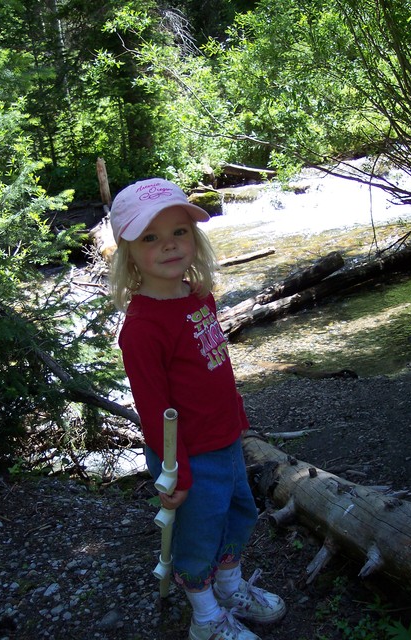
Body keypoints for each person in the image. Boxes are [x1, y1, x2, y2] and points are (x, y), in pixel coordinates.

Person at [109, 178, 286, 640]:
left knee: (238, 513)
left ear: (195, 238)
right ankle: (205, 617)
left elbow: (214, 368)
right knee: (197, 534)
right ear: (129, 254)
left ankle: (229, 587)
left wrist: (237, 420)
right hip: (187, 455)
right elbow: (153, 411)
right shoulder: (143, 329)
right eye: (150, 237)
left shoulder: (196, 295)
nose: (169, 245)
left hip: (224, 439)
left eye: (179, 232)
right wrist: (176, 473)